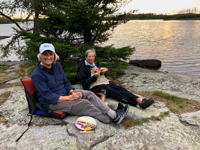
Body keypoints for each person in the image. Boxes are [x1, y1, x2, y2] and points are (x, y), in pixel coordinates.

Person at [31, 43, 129, 125]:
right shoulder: (37, 74)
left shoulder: (57, 65)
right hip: (52, 103)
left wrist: (72, 92)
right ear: (40, 56)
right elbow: (48, 96)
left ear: (54, 55)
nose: (48, 57)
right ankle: (108, 119)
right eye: (45, 54)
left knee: (89, 94)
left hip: (65, 93)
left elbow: (65, 82)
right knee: (84, 103)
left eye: (50, 54)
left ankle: (113, 114)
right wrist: (70, 98)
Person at [79, 49, 154, 109]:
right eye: (89, 56)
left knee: (120, 88)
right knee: (115, 93)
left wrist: (103, 73)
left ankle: (139, 99)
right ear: (86, 57)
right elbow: (84, 83)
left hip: (105, 81)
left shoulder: (96, 65)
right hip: (95, 85)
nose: (91, 58)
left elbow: (103, 75)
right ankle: (137, 104)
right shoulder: (83, 68)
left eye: (93, 56)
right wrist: (95, 76)